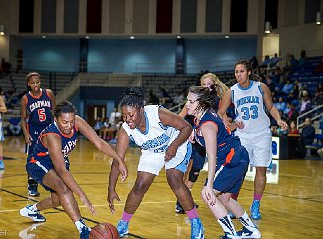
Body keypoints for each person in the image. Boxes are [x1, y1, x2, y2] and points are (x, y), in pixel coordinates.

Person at [19, 101, 128, 239]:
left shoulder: (77, 122)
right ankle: (83, 229)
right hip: (38, 162)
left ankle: (32, 210)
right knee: (63, 188)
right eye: (65, 122)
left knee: (59, 200)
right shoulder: (52, 136)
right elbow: (61, 170)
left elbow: (99, 143)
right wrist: (82, 195)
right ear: (55, 120)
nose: (69, 126)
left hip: (60, 160)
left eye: (71, 121)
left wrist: (119, 160)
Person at [107, 87, 204, 238]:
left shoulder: (156, 113)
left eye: (131, 115)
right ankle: (124, 224)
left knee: (173, 178)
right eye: (124, 116)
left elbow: (186, 127)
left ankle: (196, 222)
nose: (127, 119)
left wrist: (173, 146)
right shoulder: (125, 129)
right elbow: (117, 160)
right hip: (153, 151)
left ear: (140, 109)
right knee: (140, 186)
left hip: (176, 142)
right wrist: (111, 189)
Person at [186, 85, 261, 239]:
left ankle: (231, 233)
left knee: (207, 194)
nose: (187, 104)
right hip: (236, 156)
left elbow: (211, 157)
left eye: (191, 101)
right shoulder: (202, 116)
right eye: (187, 100)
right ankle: (251, 230)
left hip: (231, 159)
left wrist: (210, 185)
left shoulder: (207, 126)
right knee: (224, 198)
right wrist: (194, 133)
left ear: (200, 103)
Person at [218, 60, 288, 220]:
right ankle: (232, 202)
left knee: (261, 170)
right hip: (243, 135)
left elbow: (270, 107)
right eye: (236, 72)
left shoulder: (260, 87)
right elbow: (221, 113)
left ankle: (256, 204)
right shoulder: (232, 91)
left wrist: (278, 120)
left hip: (262, 133)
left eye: (241, 71)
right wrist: (229, 124)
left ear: (249, 72)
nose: (238, 75)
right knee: (238, 170)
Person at [175, 72, 229, 214]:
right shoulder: (193, 100)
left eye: (209, 84)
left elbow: (222, 120)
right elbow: (179, 118)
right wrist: (188, 130)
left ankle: (184, 199)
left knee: (196, 170)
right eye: (203, 84)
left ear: (214, 85)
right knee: (188, 169)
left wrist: (233, 125)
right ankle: (182, 201)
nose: (206, 87)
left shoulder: (217, 101)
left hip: (204, 139)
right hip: (191, 137)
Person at [21, 72, 56, 197]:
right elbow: (23, 118)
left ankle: (53, 183)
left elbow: (55, 112)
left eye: (37, 81)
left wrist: (57, 129)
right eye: (32, 82)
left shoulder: (49, 93)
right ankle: (32, 185)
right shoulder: (25, 98)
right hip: (34, 131)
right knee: (32, 158)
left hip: (48, 130)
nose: (35, 84)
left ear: (40, 82)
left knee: (51, 156)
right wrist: (25, 134)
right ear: (28, 84)